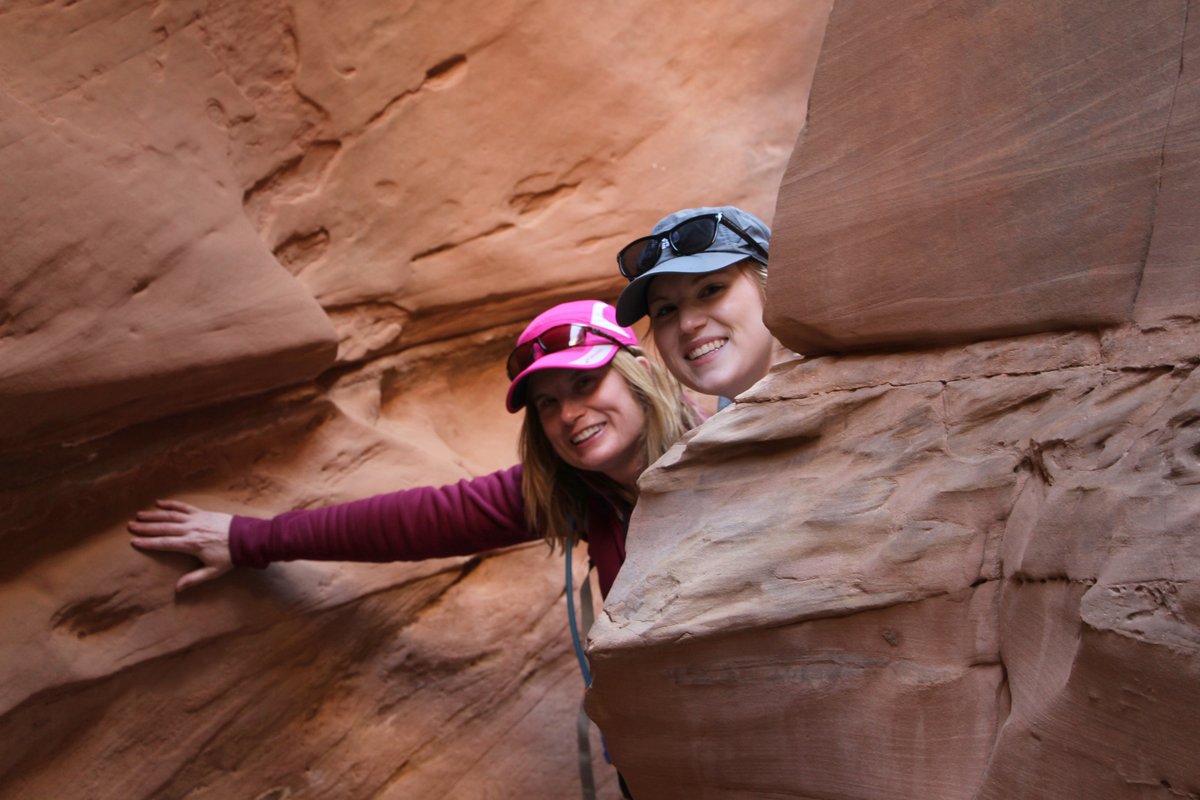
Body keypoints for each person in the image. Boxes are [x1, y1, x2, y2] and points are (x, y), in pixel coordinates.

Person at [127, 299, 700, 601]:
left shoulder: (725, 453)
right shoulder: (577, 491)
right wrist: (248, 539)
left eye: (585, 383)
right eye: (547, 403)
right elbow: (413, 522)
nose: (568, 414)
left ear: (642, 375)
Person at [613, 205, 792, 405]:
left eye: (711, 290)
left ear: (771, 285)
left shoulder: (822, 399)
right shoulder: (727, 422)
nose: (687, 323)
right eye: (665, 310)